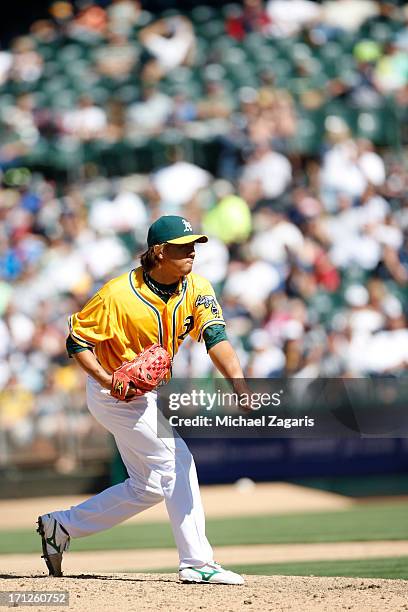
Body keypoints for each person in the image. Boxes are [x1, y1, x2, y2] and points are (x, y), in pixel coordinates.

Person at [37, 215, 250, 585]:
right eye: (184, 247)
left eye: (195, 246)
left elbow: (215, 336)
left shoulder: (197, 288)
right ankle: (196, 562)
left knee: (149, 485)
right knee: (177, 461)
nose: (192, 253)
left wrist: (240, 383)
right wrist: (107, 379)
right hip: (111, 393)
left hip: (142, 396)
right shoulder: (117, 294)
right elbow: (76, 342)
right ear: (159, 251)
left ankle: (61, 526)